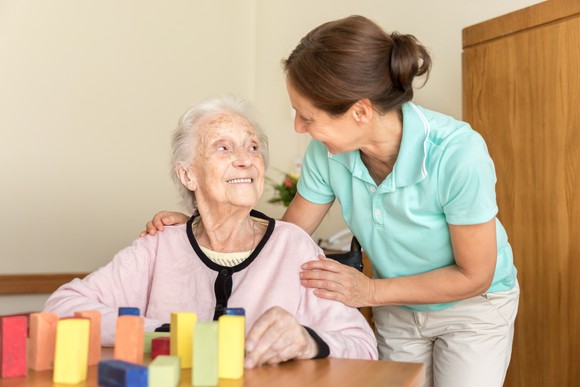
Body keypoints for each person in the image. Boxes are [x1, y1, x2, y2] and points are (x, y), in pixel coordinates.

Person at [142, 15, 519, 387]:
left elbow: (475, 275)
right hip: (398, 308)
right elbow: (285, 238)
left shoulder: (456, 153)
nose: (298, 128)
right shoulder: (328, 154)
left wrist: (370, 292)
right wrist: (203, 227)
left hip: (473, 307)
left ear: (360, 112)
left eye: (307, 117)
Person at [44, 95, 378, 368]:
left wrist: (309, 341)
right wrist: (173, 334)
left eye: (252, 148)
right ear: (188, 175)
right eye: (223, 148)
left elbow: (363, 346)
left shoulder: (293, 245)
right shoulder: (161, 245)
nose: (245, 160)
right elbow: (61, 309)